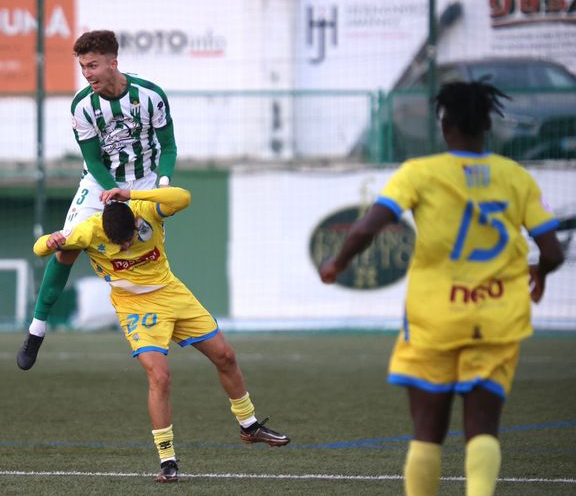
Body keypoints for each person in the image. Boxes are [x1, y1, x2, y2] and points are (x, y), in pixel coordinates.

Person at [319, 81, 563, 496]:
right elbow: (552, 250)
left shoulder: (420, 173)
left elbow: (367, 227)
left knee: (427, 433)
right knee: (483, 430)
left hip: (436, 319)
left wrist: (337, 263)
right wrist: (540, 272)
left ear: (444, 124)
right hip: (498, 317)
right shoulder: (516, 177)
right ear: (488, 123)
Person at [31, 185, 290, 482]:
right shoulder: (88, 230)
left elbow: (183, 197)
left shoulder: (146, 212)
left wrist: (131, 195)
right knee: (160, 376)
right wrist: (51, 241)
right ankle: (167, 460)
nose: (125, 248)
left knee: (225, 356)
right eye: (118, 244)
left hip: (172, 294)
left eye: (127, 240)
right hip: (136, 309)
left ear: (134, 223)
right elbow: (40, 249)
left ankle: (249, 426)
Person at [17, 30, 177, 369]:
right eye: (83, 67)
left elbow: (169, 147)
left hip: (145, 182)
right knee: (67, 247)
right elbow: (92, 161)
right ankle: (37, 329)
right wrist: (112, 195)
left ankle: (164, 320)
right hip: (100, 182)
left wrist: (161, 186)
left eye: (93, 65)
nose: (88, 73)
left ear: (113, 62)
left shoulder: (151, 96)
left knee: (147, 250)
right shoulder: (83, 106)